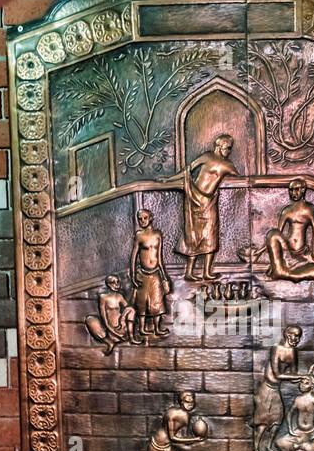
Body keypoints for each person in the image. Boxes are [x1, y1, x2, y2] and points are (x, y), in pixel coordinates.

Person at [170, 134, 237, 282]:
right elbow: (188, 169)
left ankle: (207, 272)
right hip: (194, 197)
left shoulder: (228, 165)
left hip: (209, 201)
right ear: (219, 146)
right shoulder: (207, 157)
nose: (229, 151)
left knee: (211, 234)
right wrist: (169, 179)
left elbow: (239, 178)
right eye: (227, 148)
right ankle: (189, 272)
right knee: (193, 234)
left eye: (230, 149)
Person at [239, 177, 314, 281]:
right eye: (291, 190)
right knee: (272, 234)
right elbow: (278, 233)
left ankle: (287, 274)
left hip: (303, 253)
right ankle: (285, 269)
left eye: (297, 189)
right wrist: (259, 252)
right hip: (287, 250)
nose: (293, 193)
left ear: (303, 189)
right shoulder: (286, 211)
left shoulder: (309, 209)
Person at [251, 325, 303, 451]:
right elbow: (277, 374)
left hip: (276, 389)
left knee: (277, 420)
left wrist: (303, 379)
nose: (297, 339)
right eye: (295, 335)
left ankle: (269, 446)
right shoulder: (276, 349)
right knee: (263, 421)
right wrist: (299, 377)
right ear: (288, 335)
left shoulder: (293, 352)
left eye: (299, 337)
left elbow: (293, 374)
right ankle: (256, 447)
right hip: (266, 389)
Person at [130, 208, 172, 341]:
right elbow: (133, 257)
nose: (142, 221)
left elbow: (160, 258)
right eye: (140, 219)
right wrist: (132, 275)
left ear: (151, 218)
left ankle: (157, 328)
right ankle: (142, 328)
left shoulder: (157, 235)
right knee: (142, 302)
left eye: (145, 218)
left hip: (155, 274)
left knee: (157, 301)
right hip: (142, 274)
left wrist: (164, 278)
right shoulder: (139, 235)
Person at [84, 274, 137, 353]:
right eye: (113, 282)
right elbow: (103, 316)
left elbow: (128, 308)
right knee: (90, 319)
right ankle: (109, 342)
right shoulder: (103, 297)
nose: (116, 285)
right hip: (109, 330)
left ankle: (131, 337)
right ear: (108, 284)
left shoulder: (119, 296)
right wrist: (111, 330)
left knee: (131, 310)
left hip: (120, 327)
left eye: (117, 282)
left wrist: (122, 319)